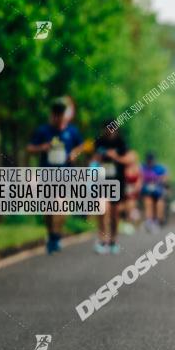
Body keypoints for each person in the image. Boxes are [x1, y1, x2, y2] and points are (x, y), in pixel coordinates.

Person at [27, 100, 84, 254]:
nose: (58, 119)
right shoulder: (43, 131)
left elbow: (81, 146)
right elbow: (29, 148)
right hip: (47, 173)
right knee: (48, 208)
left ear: (64, 116)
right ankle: (51, 235)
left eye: (61, 116)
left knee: (61, 205)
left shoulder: (72, 131)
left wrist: (74, 153)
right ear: (52, 116)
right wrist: (42, 147)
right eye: (55, 116)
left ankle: (56, 235)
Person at [91, 121, 130, 254]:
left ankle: (113, 240)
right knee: (102, 209)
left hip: (117, 182)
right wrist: (98, 159)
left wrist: (115, 156)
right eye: (108, 129)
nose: (111, 131)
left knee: (114, 213)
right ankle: (102, 239)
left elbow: (128, 160)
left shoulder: (121, 143)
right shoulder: (99, 142)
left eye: (113, 129)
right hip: (102, 181)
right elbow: (93, 161)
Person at [141, 152, 168, 232]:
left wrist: (160, 180)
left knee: (159, 203)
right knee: (148, 201)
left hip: (158, 191)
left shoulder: (160, 168)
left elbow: (165, 178)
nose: (150, 162)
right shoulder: (143, 167)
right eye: (149, 160)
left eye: (151, 160)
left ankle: (157, 221)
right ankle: (149, 221)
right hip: (147, 191)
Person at [121, 150, 141, 234]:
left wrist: (133, 190)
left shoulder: (137, 168)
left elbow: (139, 182)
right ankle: (124, 223)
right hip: (123, 191)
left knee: (130, 205)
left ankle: (129, 223)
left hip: (132, 193)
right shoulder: (123, 168)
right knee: (122, 207)